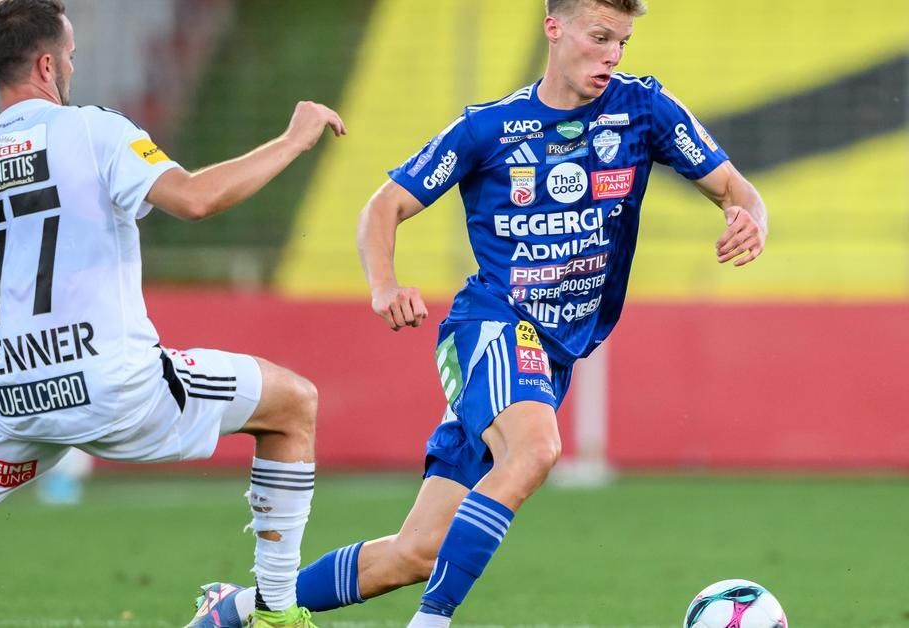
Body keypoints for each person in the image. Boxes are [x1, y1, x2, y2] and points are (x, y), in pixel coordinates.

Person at [188, 0, 767, 625]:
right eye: (600, 37)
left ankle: (236, 608)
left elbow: (736, 188)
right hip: (492, 326)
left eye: (622, 42)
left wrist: (750, 218)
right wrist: (384, 285)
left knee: (417, 552)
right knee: (535, 451)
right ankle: (432, 621)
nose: (613, 56)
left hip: (552, 356)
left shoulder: (644, 109)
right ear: (554, 28)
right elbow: (383, 207)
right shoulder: (489, 129)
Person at [0, 1, 344, 627]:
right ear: (46, 64)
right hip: (110, 384)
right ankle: (275, 611)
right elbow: (196, 198)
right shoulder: (93, 129)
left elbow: (5, 265)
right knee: (293, 404)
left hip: (12, 389)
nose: (74, 67)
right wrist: (294, 139)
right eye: (71, 56)